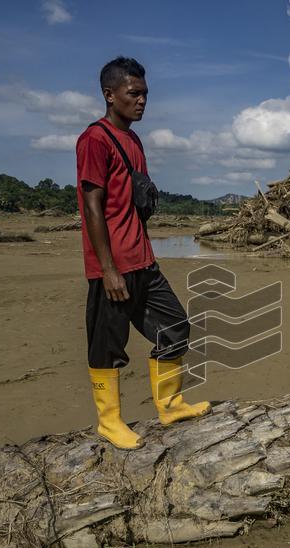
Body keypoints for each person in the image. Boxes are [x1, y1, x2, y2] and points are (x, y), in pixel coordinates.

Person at [76, 56, 209, 450]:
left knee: (175, 328)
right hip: (114, 266)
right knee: (108, 345)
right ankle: (109, 422)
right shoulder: (94, 139)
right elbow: (92, 206)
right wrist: (108, 269)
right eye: (133, 94)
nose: (142, 101)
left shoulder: (133, 140)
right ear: (109, 94)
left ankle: (169, 405)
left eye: (145, 94)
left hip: (143, 262)